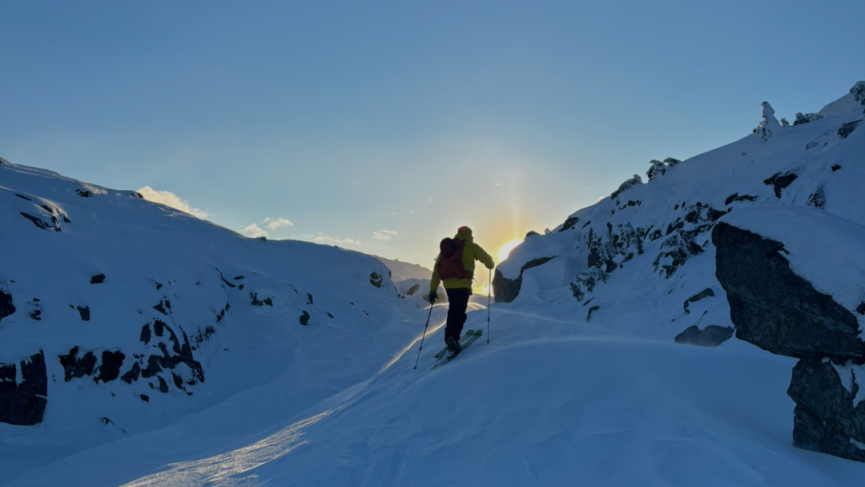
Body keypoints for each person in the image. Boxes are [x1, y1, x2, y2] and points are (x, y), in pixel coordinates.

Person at [429, 226, 495, 356]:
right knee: (459, 313)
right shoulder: (471, 246)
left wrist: (432, 290)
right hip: (463, 285)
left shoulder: (448, 248)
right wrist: (489, 264)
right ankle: (453, 340)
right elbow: (489, 263)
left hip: (448, 286)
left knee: (453, 311)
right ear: (470, 235)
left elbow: (436, 269)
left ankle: (449, 338)